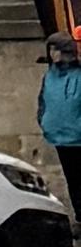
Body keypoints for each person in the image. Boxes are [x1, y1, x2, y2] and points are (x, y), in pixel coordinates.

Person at [43, 15, 81, 212]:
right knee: (73, 180)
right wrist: (44, 121)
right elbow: (43, 101)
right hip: (59, 136)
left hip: (78, 136)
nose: (52, 54)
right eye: (50, 49)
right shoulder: (49, 76)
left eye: (56, 49)